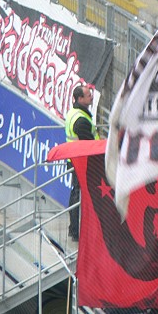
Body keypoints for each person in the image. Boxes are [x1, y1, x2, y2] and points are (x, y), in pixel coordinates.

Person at [65, 85, 99, 241]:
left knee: (76, 194)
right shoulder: (81, 120)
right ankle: (76, 231)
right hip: (81, 162)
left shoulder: (74, 113)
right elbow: (90, 144)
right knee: (79, 196)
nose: (91, 97)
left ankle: (74, 230)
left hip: (74, 160)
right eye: (88, 95)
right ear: (80, 99)